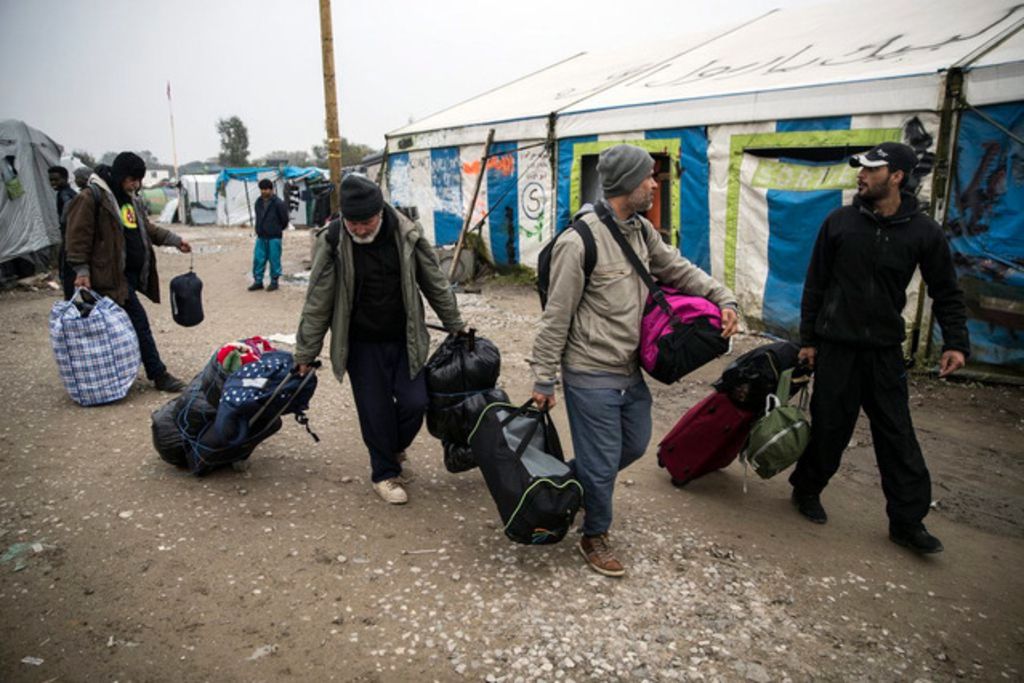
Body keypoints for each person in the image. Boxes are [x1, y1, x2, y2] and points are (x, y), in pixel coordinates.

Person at [529, 144, 739, 577]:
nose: (653, 183)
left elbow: (678, 269)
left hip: (629, 370)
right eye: (648, 177)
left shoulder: (641, 231)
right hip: (589, 371)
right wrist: (544, 379)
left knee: (635, 443)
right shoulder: (579, 241)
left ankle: (564, 483)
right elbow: (556, 317)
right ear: (627, 183)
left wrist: (723, 298)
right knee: (604, 459)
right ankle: (594, 534)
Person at [789, 142, 970, 555]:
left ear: (897, 177)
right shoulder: (839, 223)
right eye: (861, 169)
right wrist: (809, 342)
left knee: (897, 435)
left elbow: (946, 290)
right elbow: (815, 284)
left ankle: (907, 522)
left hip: (884, 352)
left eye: (872, 169)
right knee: (830, 427)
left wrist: (956, 342)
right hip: (837, 348)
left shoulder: (923, 232)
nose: (862, 175)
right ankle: (806, 490)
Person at [294, 175, 465, 505]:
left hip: (405, 338)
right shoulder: (332, 240)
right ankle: (384, 474)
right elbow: (317, 301)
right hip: (360, 343)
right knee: (375, 411)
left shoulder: (407, 233)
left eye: (365, 222)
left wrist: (454, 323)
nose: (358, 229)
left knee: (417, 402)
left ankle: (393, 450)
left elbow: (434, 282)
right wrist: (305, 351)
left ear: (380, 213)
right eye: (352, 222)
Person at [65, 152, 192, 393]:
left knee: (110, 329)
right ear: (122, 175)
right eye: (133, 179)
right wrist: (81, 271)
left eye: (139, 180)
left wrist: (175, 240)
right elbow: (77, 237)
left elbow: (146, 229)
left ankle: (107, 377)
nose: (137, 185)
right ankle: (158, 374)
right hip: (106, 279)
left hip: (127, 277)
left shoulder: (127, 200)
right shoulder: (93, 197)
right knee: (135, 324)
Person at [248, 178, 290, 292]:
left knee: (274, 259)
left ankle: (274, 282)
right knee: (258, 259)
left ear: (271, 190)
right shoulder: (258, 202)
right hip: (261, 236)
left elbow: (284, 220)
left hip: (274, 236)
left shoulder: (278, 203)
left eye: (266, 189)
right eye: (262, 189)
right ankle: (258, 281)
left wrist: (275, 229)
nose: (263, 192)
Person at [48, 166, 78, 300]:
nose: (53, 183)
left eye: (56, 179)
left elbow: (68, 205)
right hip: (73, 237)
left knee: (67, 272)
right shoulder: (71, 192)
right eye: (51, 180)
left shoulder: (64, 193)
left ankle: (69, 301)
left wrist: (64, 221)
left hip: (69, 239)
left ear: (65, 179)